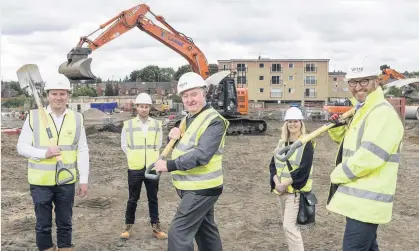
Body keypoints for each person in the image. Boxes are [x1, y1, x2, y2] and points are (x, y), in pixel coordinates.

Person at [326, 62, 404, 251]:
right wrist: (338, 129)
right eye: (354, 83)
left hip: (367, 200)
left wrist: (337, 175)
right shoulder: (363, 110)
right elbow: (349, 144)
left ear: (377, 82)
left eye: (364, 81)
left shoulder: (381, 113)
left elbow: (369, 156)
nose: (358, 87)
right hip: (359, 199)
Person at [154, 72, 229, 251]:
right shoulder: (188, 119)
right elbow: (185, 148)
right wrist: (173, 138)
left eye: (194, 94)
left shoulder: (214, 121)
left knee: (178, 234)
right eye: (185, 96)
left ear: (204, 93)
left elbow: (202, 155)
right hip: (194, 187)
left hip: (201, 189)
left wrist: (168, 165)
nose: (190, 100)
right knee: (206, 233)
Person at [17, 80, 89, 251]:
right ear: (47, 95)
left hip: (66, 180)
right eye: (54, 94)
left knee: (65, 223)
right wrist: (44, 153)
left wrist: (84, 179)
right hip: (40, 182)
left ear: (68, 95)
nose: (58, 97)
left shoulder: (77, 118)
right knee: (43, 225)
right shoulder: (34, 117)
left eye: (62, 93)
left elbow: (83, 149)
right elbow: (21, 147)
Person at [119, 92, 168, 240]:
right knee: (132, 198)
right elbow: (124, 145)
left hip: (152, 167)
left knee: (153, 198)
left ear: (150, 108)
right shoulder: (128, 125)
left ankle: (156, 228)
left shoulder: (156, 124)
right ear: (137, 107)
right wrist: (133, 156)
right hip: (135, 167)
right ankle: (127, 227)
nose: (144, 109)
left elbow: (158, 144)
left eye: (146, 107)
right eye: (141, 106)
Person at [269, 107, 315, 251]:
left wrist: (285, 184)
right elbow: (272, 166)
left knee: (289, 227)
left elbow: (303, 170)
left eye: (295, 121)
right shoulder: (282, 143)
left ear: (301, 123)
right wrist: (277, 183)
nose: (292, 124)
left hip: (295, 193)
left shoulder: (306, 144)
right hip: (281, 192)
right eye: (289, 121)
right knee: (289, 227)